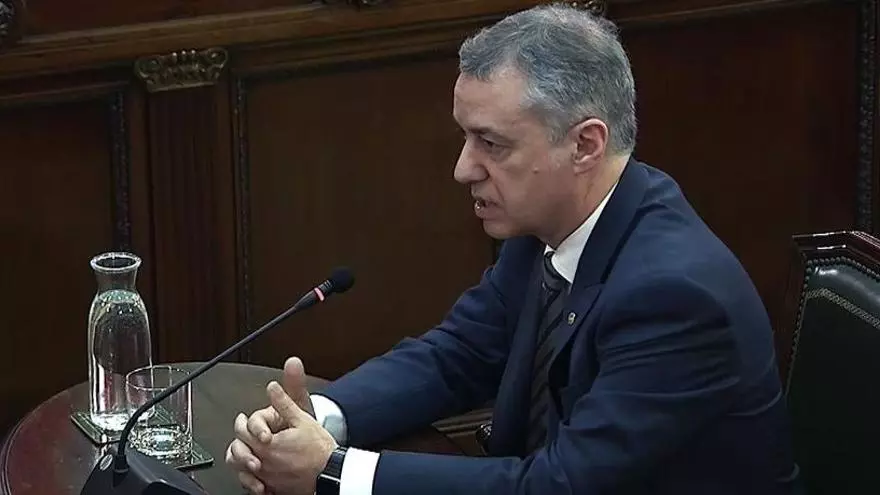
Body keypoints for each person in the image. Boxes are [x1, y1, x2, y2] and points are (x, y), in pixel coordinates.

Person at [225, 4, 802, 494]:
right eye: (465, 136)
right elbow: (457, 355)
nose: (463, 169)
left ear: (585, 145)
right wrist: (318, 420)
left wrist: (332, 472)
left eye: (491, 144)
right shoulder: (546, 229)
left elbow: (559, 485)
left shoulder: (675, 296)